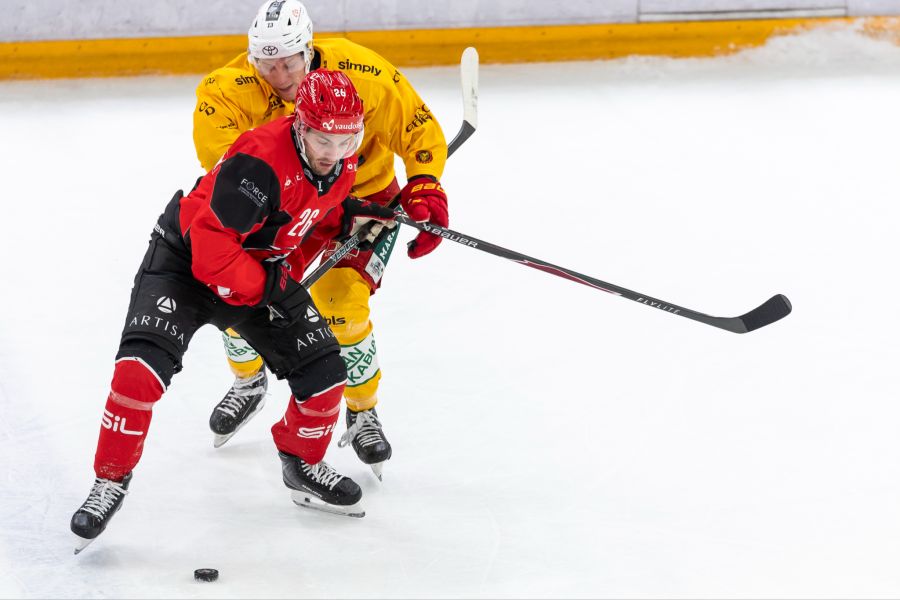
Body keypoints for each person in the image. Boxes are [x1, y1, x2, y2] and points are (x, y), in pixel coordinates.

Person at [70, 70, 400, 553]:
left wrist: (352, 218)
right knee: (137, 375)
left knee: (327, 373)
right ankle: (110, 481)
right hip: (185, 264)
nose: (333, 151)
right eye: (322, 138)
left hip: (254, 267)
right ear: (299, 124)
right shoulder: (258, 163)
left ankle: (302, 461)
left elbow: (310, 213)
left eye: (347, 138)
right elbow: (212, 255)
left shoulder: (340, 165)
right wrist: (270, 288)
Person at [194, 0, 449, 478]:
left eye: (290, 61)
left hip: (361, 207)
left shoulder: (363, 72)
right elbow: (226, 171)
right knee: (233, 295)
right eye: (267, 64)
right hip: (284, 210)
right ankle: (248, 382)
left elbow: (416, 125)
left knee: (342, 309)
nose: (280, 74)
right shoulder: (225, 92)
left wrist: (425, 182)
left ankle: (363, 409)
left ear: (309, 50)